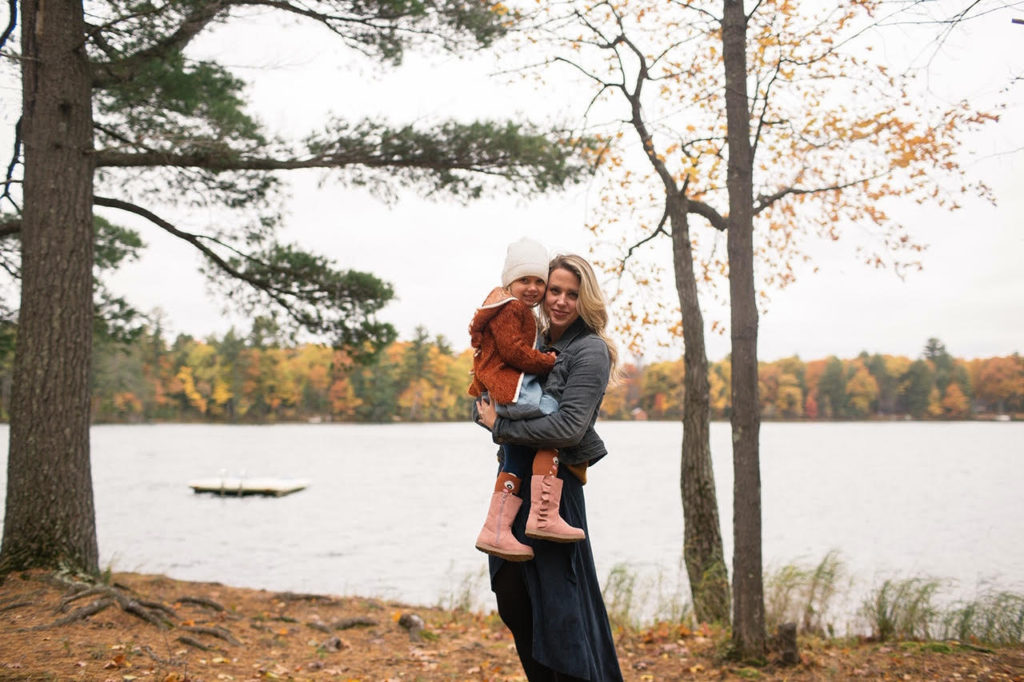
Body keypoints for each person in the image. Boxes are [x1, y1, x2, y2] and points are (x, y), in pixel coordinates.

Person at [475, 253, 624, 682]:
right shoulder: (527, 341)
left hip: (556, 495)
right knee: (512, 595)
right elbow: (482, 401)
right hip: (516, 488)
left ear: (586, 300)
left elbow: (570, 427)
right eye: (554, 290)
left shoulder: (590, 350)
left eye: (572, 294)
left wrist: (502, 424)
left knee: (562, 612)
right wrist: (494, 413)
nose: (559, 301)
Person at [469, 238, 586, 563]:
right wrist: (546, 361)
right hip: (511, 390)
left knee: (516, 455)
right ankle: (543, 516)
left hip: (504, 390)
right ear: (510, 281)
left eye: (539, 281)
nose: (533, 288)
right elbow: (513, 353)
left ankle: (496, 530)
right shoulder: (512, 309)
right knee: (552, 427)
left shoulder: (510, 308)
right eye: (525, 280)